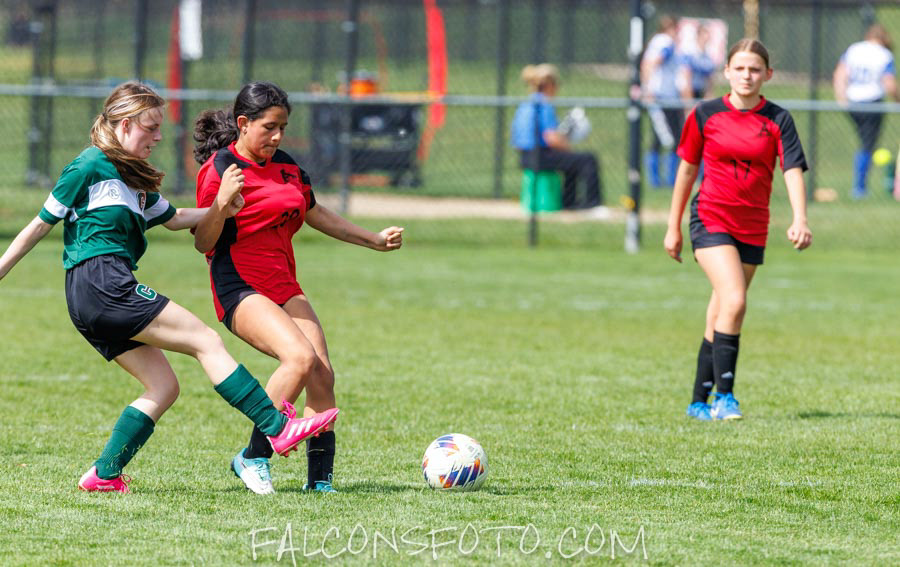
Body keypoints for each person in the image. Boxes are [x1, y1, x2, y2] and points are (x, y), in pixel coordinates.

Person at [0, 82, 339, 493]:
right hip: (102, 282)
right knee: (206, 341)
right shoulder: (89, 165)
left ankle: (104, 474)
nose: (158, 137)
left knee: (163, 386)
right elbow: (39, 225)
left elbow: (176, 218)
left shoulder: (135, 180)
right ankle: (276, 428)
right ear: (125, 125)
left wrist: (223, 206)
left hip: (92, 295)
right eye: (151, 127)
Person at [192, 82, 404, 495]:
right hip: (240, 285)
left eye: (283, 128)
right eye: (269, 127)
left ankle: (320, 483)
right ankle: (252, 457)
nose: (277, 137)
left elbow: (315, 212)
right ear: (243, 123)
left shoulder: (287, 166)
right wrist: (221, 204)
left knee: (322, 373)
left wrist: (373, 240)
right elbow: (203, 241)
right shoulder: (221, 170)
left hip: (284, 285)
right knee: (299, 358)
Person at [663, 39, 813, 421]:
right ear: (727, 72)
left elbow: (792, 170)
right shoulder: (705, 114)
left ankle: (698, 401)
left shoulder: (778, 119)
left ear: (768, 74)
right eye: (740, 68)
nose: (747, 76)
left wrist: (800, 218)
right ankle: (724, 398)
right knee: (734, 301)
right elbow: (687, 169)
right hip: (710, 219)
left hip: (753, 226)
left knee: (721, 310)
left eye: (755, 69)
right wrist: (672, 226)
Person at [510, 63, 607, 215]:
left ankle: (569, 203)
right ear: (549, 85)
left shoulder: (525, 104)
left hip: (524, 156)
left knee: (572, 161)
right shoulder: (544, 105)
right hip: (540, 156)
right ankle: (593, 205)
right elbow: (551, 138)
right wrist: (568, 148)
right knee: (588, 159)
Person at [833, 23, 897, 199]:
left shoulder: (854, 49)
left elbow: (840, 74)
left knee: (864, 142)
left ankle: (860, 186)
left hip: (853, 101)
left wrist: (841, 98)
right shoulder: (884, 54)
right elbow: (889, 83)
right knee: (867, 145)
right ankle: (859, 188)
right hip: (872, 103)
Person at [641, 15, 692, 188]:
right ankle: (664, 179)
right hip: (662, 97)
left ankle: (662, 179)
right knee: (671, 137)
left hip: (667, 96)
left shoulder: (657, 42)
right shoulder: (666, 43)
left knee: (661, 137)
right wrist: (648, 88)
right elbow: (651, 63)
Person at [687, 24, 717, 100]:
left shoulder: (707, 55)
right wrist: (688, 100)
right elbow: (686, 76)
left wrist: (709, 93)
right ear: (698, 35)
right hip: (691, 92)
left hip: (701, 91)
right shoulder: (690, 52)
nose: (707, 36)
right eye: (705, 33)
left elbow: (709, 77)